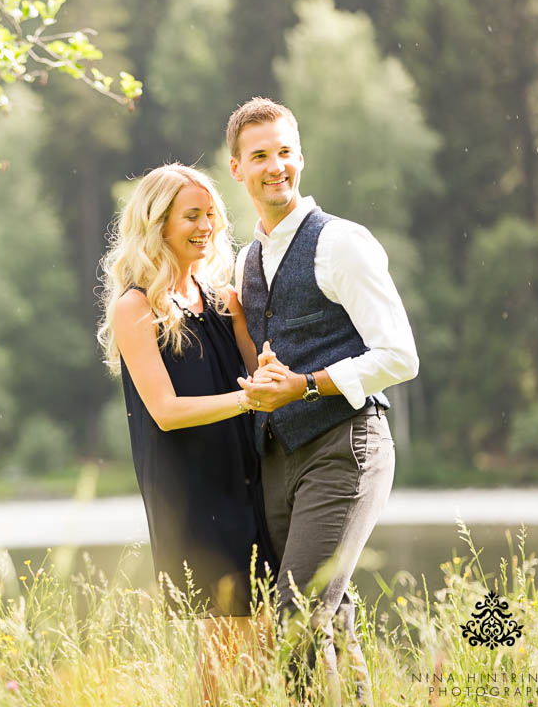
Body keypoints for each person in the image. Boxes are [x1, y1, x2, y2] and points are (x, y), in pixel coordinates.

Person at [227, 97, 419, 706]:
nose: (275, 167)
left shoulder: (341, 243)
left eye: (285, 152)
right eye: (260, 156)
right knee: (327, 620)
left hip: (347, 446)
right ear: (237, 169)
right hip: (280, 460)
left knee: (297, 620)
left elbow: (400, 356)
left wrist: (308, 385)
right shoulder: (245, 260)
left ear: (301, 157)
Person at [96, 163, 283, 684]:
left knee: (262, 635)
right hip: (193, 489)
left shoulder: (225, 300)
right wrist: (249, 401)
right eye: (191, 216)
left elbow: (256, 370)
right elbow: (166, 411)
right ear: (158, 224)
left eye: (212, 216)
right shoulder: (135, 307)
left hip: (247, 476)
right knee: (227, 638)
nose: (206, 227)